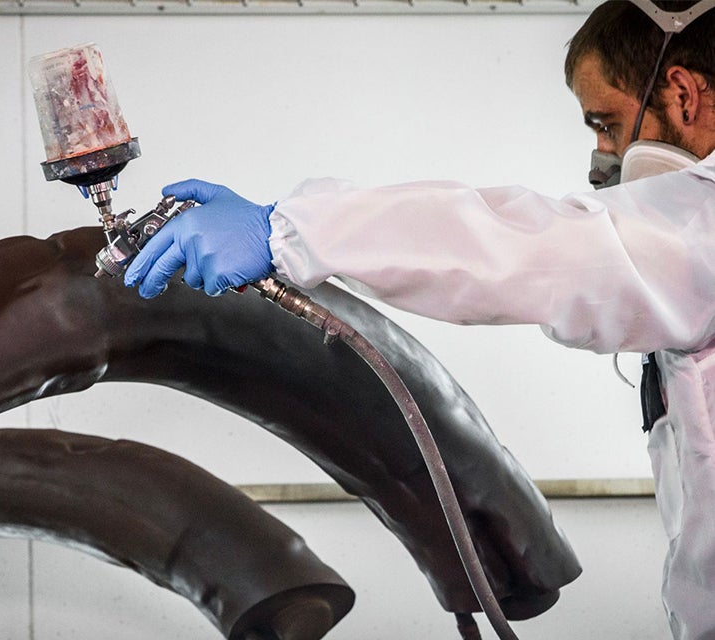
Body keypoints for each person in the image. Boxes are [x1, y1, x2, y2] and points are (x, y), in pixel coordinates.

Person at [124, 2, 715, 639]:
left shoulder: (698, 221)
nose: (602, 155)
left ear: (681, 93)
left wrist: (290, 231)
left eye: (607, 123)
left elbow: (526, 249)